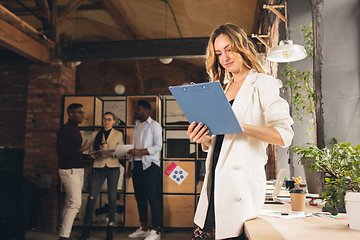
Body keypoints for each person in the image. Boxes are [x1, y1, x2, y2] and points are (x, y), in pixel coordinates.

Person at [187, 23, 294, 240]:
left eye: (229, 49)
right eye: (218, 53)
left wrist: (239, 126)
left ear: (241, 47)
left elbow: (285, 135)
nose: (224, 57)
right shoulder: (221, 88)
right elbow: (218, 141)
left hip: (239, 189)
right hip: (214, 184)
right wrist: (203, 138)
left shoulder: (263, 83)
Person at [79, 112, 124, 240]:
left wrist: (114, 154)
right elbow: (91, 151)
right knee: (92, 197)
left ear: (114, 121)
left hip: (113, 168)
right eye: (105, 119)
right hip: (98, 167)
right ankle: (86, 228)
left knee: (112, 197)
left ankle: (110, 229)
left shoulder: (118, 134)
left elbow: (121, 153)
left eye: (109, 119)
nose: (107, 122)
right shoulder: (96, 133)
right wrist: (93, 155)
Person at [56, 103, 94, 240]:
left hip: (77, 169)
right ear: (71, 114)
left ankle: (64, 233)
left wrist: (87, 155)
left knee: (69, 202)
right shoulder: (65, 130)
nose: (83, 115)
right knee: (75, 203)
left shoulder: (75, 129)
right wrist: (81, 150)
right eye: (79, 113)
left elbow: (74, 153)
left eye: (83, 113)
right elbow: (61, 152)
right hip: (69, 170)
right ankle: (64, 236)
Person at [126, 100, 162, 240]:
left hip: (150, 165)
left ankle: (156, 231)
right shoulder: (136, 125)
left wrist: (140, 152)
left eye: (139, 109)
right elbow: (133, 149)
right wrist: (130, 167)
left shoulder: (155, 126)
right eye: (136, 109)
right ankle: (144, 228)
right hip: (136, 165)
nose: (136, 111)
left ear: (147, 111)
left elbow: (158, 146)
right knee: (139, 197)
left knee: (151, 197)